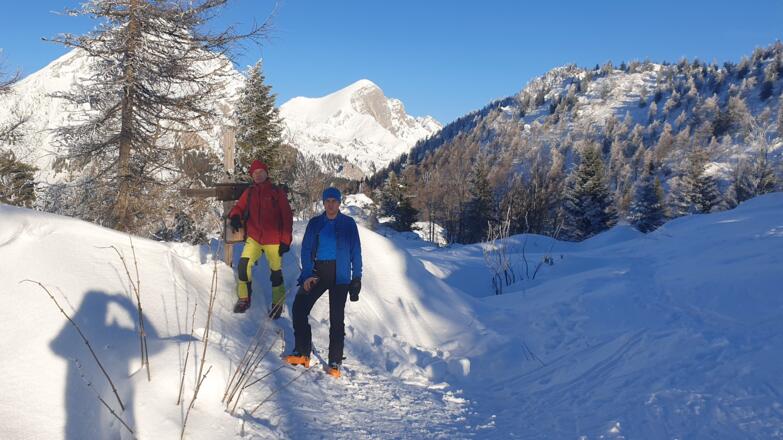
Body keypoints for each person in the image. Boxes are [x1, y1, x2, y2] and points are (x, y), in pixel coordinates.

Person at [285, 187, 362, 378]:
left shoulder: (348, 223)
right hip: (318, 272)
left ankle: (335, 361)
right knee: (299, 308)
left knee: (336, 318)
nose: (331, 204)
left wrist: (356, 278)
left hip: (341, 275)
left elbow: (356, 251)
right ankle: (302, 352)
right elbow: (306, 249)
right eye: (327, 201)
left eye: (334, 201)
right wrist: (307, 274)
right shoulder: (315, 223)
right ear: (323, 203)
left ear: (339, 203)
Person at [228, 159, 293, 317]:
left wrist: (286, 240)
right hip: (254, 238)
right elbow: (239, 207)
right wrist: (235, 216)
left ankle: (277, 304)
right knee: (243, 266)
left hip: (274, 239)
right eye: (255, 173)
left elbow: (287, 216)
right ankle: (244, 298)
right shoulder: (250, 192)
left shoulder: (276, 192)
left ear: (266, 173)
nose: (257, 175)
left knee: (276, 273)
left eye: (260, 172)